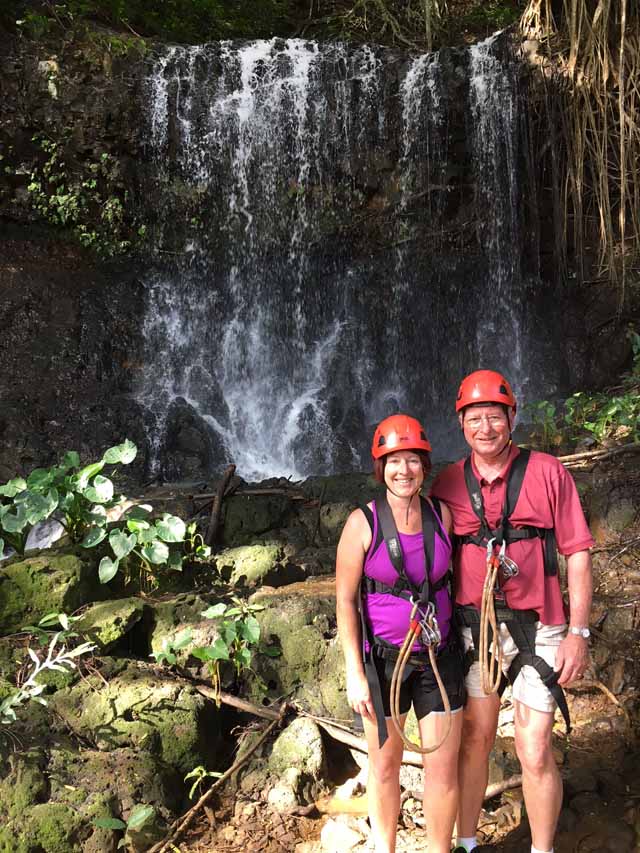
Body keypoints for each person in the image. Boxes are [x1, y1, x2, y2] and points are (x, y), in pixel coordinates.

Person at [431, 370, 594, 853]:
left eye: (494, 417)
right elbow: (427, 559)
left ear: (511, 418)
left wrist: (578, 632)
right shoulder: (446, 484)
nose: (486, 427)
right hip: (474, 628)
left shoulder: (548, 473)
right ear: (462, 424)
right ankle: (467, 843)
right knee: (477, 737)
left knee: (534, 746)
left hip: (541, 626)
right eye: (475, 418)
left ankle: (541, 849)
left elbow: (578, 551)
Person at [336, 413, 466, 853]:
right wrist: (354, 671)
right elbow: (344, 602)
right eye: (394, 461)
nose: (403, 470)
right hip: (383, 664)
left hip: (438, 658)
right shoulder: (362, 524)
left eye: (412, 460)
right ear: (380, 467)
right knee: (385, 766)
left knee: (443, 767)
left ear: (424, 466)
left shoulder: (443, 516)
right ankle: (384, 847)